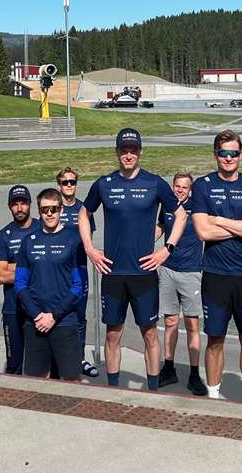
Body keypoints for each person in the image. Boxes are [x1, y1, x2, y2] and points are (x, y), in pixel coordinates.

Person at [79, 128, 187, 391]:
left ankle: (152, 390)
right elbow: (84, 213)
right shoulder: (104, 184)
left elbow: (181, 215)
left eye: (133, 150)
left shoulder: (154, 183)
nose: (128, 155)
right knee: (112, 334)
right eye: (124, 150)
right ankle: (114, 389)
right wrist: (90, 249)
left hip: (144, 274)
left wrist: (167, 249)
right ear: (117, 152)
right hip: (113, 273)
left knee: (149, 334)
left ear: (140, 151)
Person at [192, 129, 242, 402]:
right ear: (216, 155)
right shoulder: (203, 185)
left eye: (233, 153)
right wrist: (241, 227)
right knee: (215, 340)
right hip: (215, 276)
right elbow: (203, 232)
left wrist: (220, 220)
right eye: (223, 153)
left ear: (240, 156)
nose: (228, 158)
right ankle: (213, 397)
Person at [14, 188, 86, 380]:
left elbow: (78, 285)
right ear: (39, 211)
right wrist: (37, 315)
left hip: (64, 321)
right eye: (44, 210)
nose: (49, 214)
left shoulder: (74, 240)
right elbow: (20, 283)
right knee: (37, 381)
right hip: (35, 322)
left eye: (53, 209)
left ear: (61, 209)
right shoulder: (28, 242)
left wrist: (54, 316)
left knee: (71, 380)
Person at [155, 172, 206, 395]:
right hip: (168, 270)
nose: (180, 190)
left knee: (192, 324)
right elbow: (159, 228)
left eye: (184, 187)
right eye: (177, 186)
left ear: (190, 190)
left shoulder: (198, 206)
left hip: (191, 271)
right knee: (170, 321)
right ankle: (168, 367)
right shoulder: (167, 205)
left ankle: (194, 373)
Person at [56, 167, 99, 378]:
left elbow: (89, 241)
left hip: (79, 270)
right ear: (59, 185)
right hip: (59, 272)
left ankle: (78, 357)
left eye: (72, 182)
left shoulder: (84, 209)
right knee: (58, 312)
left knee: (79, 316)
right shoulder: (54, 209)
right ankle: (58, 357)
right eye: (65, 182)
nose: (69, 185)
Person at [0, 185, 41, 374]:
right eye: (15, 204)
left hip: (39, 306)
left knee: (40, 363)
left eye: (23, 203)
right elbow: (1, 275)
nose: (19, 208)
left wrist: (14, 266)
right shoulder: (3, 235)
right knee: (14, 365)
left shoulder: (42, 228)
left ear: (30, 204)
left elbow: (49, 267)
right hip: (12, 308)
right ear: (9, 207)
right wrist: (32, 268)